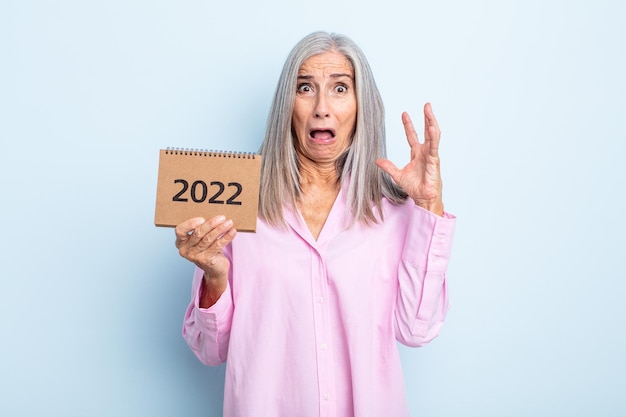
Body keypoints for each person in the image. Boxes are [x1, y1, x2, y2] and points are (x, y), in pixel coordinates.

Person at [174, 31, 456, 417]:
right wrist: (215, 278)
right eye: (305, 87)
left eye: (340, 88)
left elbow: (417, 330)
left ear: (361, 106)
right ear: (286, 106)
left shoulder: (395, 212)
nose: (322, 107)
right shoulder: (237, 208)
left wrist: (428, 205)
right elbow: (210, 352)